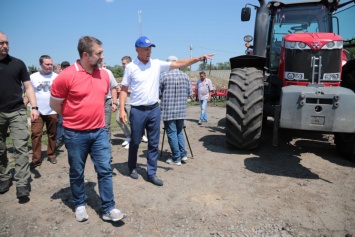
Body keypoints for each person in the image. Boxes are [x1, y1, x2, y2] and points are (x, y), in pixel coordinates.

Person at [119, 35, 214, 186]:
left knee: (154, 143)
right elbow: (124, 89)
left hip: (154, 109)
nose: (148, 51)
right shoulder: (131, 67)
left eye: (150, 48)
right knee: (136, 141)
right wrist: (121, 109)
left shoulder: (156, 64)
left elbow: (178, 63)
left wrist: (197, 59)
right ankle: (132, 167)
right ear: (137, 49)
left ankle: (151, 173)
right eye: (145, 49)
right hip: (137, 110)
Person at [50, 36, 125, 222]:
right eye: (99, 53)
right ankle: (80, 204)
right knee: (77, 171)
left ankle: (109, 208)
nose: (102, 56)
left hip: (99, 131)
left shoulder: (105, 74)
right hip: (75, 133)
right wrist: (73, 117)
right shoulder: (66, 76)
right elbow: (55, 105)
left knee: (105, 170)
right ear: (86, 55)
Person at [0, 31, 39, 200]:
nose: (5, 46)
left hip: (16, 111)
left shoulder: (18, 64)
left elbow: (28, 87)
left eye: (7, 42)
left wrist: (34, 107)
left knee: (20, 147)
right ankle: (4, 176)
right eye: (1, 43)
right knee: (0, 149)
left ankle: (22, 182)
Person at [159, 56, 192, 165]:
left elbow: (158, 94)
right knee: (179, 132)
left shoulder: (163, 76)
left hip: (168, 111)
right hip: (181, 110)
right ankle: (183, 155)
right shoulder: (185, 76)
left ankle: (176, 158)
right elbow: (190, 93)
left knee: (172, 133)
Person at [28, 55, 58, 168]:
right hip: (37, 111)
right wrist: (26, 103)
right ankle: (36, 159)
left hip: (52, 110)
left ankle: (51, 154)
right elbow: (28, 91)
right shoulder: (33, 77)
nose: (50, 66)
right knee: (36, 134)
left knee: (52, 134)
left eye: (51, 64)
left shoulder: (57, 77)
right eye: (47, 64)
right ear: (41, 64)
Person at [115, 56, 148, 150]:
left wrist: (125, 90)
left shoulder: (135, 72)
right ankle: (129, 136)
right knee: (118, 119)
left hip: (131, 101)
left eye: (124, 63)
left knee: (132, 122)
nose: (122, 65)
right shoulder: (125, 73)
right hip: (123, 101)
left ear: (129, 63)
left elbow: (138, 88)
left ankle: (136, 138)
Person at [100, 62, 118, 160]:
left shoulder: (107, 72)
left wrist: (114, 103)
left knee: (106, 127)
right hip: (93, 102)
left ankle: (107, 153)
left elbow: (113, 87)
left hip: (106, 102)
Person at [55, 61, 70, 150]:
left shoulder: (71, 76)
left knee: (64, 122)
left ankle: (63, 139)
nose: (66, 68)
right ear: (62, 68)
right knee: (59, 123)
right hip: (60, 103)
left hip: (68, 104)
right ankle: (58, 139)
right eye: (65, 67)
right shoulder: (59, 77)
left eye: (68, 66)